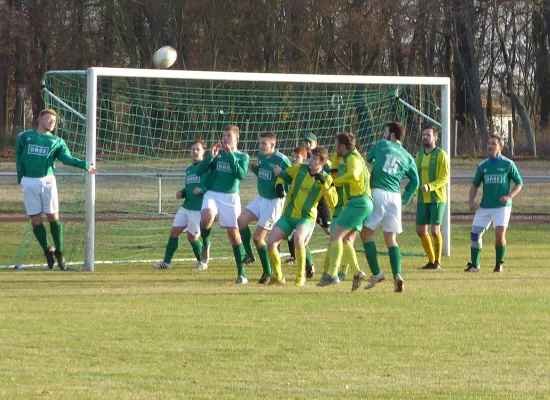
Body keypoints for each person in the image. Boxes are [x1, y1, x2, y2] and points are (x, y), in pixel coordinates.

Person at [15, 108, 97, 269]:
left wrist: (84, 164)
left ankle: (59, 252)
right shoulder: (24, 137)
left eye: (54, 121)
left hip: (48, 181)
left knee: (53, 217)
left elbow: (66, 159)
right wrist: (21, 179)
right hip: (29, 182)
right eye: (49, 119)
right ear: (39, 119)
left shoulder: (56, 141)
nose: (52, 123)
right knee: (36, 220)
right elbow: (18, 157)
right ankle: (47, 250)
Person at [361, 122, 419, 293]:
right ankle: (398, 275)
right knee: (391, 239)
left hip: (378, 192)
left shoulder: (382, 144)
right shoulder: (408, 156)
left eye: (386, 132)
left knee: (366, 234)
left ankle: (377, 272)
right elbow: (415, 181)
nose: (384, 135)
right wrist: (405, 200)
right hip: (395, 197)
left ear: (392, 135)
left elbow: (369, 158)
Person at [267, 147, 338, 286]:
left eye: (315, 159)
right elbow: (283, 175)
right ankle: (278, 277)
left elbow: (333, 202)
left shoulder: (327, 178)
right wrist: (279, 185)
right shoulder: (300, 169)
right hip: (288, 215)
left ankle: (301, 276)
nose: (310, 161)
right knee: (270, 243)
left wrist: (324, 184)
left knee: (298, 239)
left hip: (306, 217)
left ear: (322, 162)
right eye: (311, 157)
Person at [317, 133, 373, 290]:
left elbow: (353, 175)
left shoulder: (353, 158)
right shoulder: (350, 156)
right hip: (358, 202)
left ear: (343, 146)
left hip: (360, 201)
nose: (335, 149)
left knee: (335, 235)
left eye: (336, 146)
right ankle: (357, 272)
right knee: (346, 240)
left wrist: (335, 182)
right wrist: (335, 162)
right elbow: (336, 167)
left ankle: (332, 274)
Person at [196, 124, 250, 284]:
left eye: (228, 136)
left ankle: (242, 273)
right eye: (223, 135)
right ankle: (206, 245)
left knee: (234, 234)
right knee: (206, 217)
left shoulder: (242, 156)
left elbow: (241, 175)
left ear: (237, 139)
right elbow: (200, 171)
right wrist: (210, 157)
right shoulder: (216, 154)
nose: (225, 138)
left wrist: (231, 155)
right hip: (212, 193)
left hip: (231, 197)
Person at [237, 132, 291, 284]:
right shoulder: (261, 156)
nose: (260, 146)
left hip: (274, 202)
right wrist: (255, 169)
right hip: (261, 198)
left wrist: (281, 174)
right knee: (241, 221)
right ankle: (249, 253)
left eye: (264, 143)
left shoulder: (281, 160)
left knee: (258, 238)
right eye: (260, 143)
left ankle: (267, 272)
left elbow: (293, 176)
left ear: (273, 145)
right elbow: (264, 174)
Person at [465, 133, 523, 273]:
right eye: (489, 144)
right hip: (485, 206)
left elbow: (519, 183)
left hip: (501, 207)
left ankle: (499, 264)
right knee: (475, 234)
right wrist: (471, 201)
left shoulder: (508, 164)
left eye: (493, 144)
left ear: (500, 147)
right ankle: (474, 265)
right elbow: (475, 185)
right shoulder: (482, 165)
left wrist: (509, 196)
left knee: (499, 233)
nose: (490, 146)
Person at [153, 140, 209, 270]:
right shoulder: (189, 169)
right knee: (174, 232)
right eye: (193, 149)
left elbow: (211, 187)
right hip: (186, 207)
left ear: (203, 152)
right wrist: (182, 193)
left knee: (192, 237)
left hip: (198, 209)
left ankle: (202, 262)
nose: (195, 152)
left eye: (198, 150)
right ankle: (166, 262)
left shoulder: (206, 168)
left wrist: (201, 190)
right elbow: (188, 187)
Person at [283, 132, 331, 278]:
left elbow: (330, 184)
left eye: (311, 143)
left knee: (330, 231)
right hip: (301, 207)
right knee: (297, 236)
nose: (308, 145)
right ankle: (307, 264)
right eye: (306, 142)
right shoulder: (303, 163)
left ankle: (341, 246)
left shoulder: (325, 165)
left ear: (316, 145)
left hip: (320, 205)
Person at [415, 126, 449, 270]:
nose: (425, 137)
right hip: (423, 199)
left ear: (435, 138)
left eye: (428, 135)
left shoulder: (441, 155)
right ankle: (431, 260)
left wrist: (430, 186)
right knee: (421, 231)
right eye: (423, 135)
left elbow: (444, 178)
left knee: (435, 231)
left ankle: (437, 262)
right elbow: (415, 176)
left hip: (437, 198)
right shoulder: (419, 155)